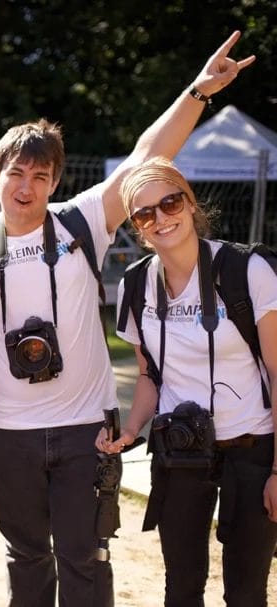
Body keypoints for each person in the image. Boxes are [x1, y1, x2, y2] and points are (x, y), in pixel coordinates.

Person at [0, 32, 255, 606]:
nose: (27, 187)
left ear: (55, 182)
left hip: (85, 430)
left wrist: (198, 93)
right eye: (16, 173)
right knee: (25, 557)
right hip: (4, 433)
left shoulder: (81, 223)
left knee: (86, 558)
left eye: (41, 176)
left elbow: (148, 157)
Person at [98, 157, 277, 606]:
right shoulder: (137, 284)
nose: (161, 218)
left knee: (247, 590)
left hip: (253, 448)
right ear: (137, 227)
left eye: (170, 202)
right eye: (144, 213)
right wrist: (129, 429)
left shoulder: (246, 270)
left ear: (190, 203)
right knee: (180, 586)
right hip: (181, 451)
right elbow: (148, 376)